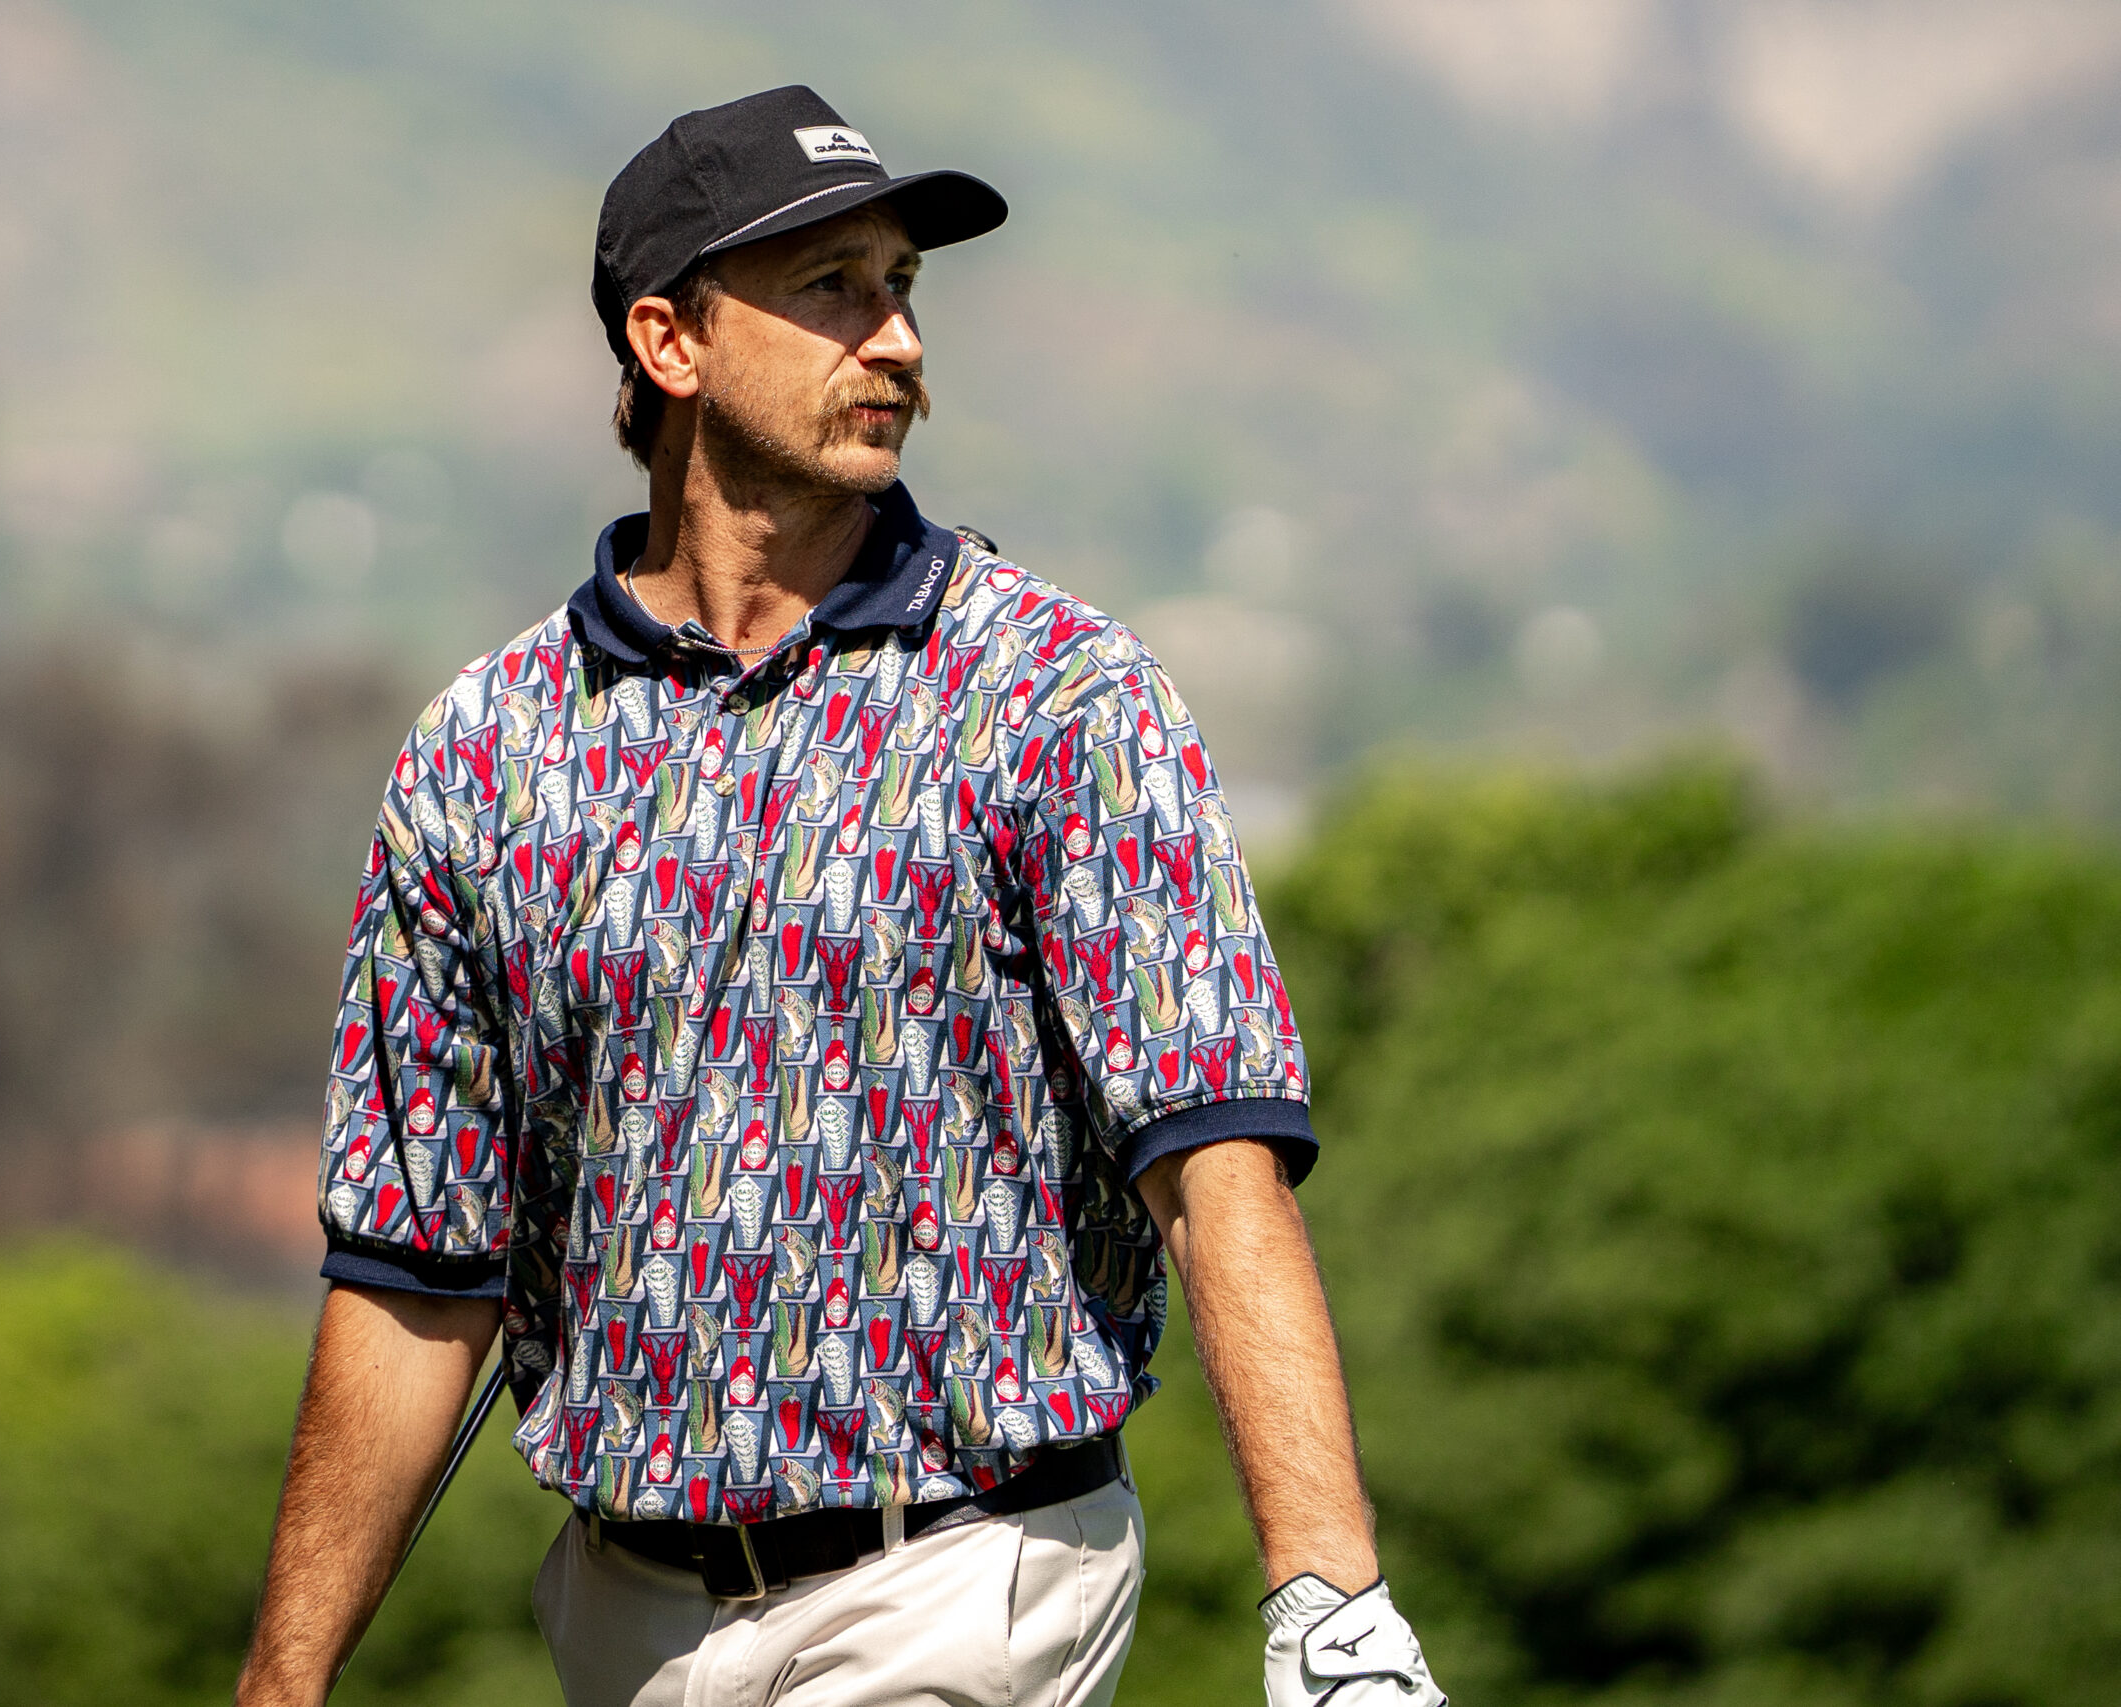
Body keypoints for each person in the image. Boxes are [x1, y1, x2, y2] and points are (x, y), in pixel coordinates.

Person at [237, 85, 1446, 1707]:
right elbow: (412, 1277)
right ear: (670, 341)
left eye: (903, 286)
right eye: (833, 289)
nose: (898, 343)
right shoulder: (485, 754)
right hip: (622, 1618)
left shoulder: (1057, 695)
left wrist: (1331, 1603)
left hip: (965, 1581)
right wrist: (282, 1681)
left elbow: (1214, 1159)